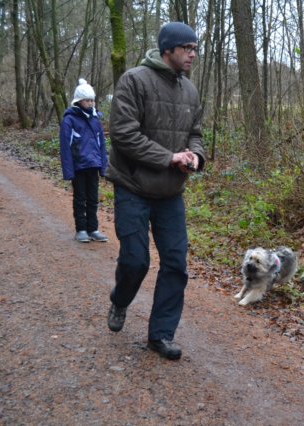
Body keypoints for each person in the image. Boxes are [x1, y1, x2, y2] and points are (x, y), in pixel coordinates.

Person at [105, 22, 205, 360]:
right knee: (136, 261)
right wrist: (168, 157)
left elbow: (195, 133)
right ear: (167, 49)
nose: (192, 54)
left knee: (175, 264)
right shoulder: (134, 80)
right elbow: (123, 133)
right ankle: (120, 300)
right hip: (132, 186)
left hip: (170, 192)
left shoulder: (190, 90)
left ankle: (161, 335)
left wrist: (194, 156)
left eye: (195, 48)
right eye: (187, 48)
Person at [59, 78, 109, 243]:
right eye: (87, 100)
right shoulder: (69, 120)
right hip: (78, 166)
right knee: (80, 198)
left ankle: (93, 229)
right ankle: (81, 229)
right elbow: (65, 147)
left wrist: (104, 167)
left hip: (93, 165)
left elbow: (102, 145)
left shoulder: (95, 120)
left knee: (93, 198)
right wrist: (68, 171)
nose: (90, 103)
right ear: (79, 101)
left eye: (92, 100)